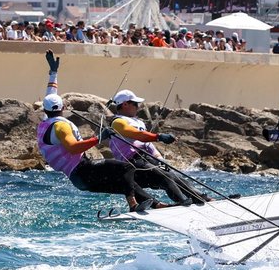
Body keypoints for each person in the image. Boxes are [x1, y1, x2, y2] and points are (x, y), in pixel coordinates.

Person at [36, 51, 164, 212]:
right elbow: (73, 147)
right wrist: (99, 138)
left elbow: (51, 96)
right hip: (83, 170)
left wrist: (53, 73)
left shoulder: (45, 122)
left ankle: (156, 205)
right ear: (62, 107)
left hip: (77, 179)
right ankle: (133, 205)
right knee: (126, 168)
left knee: (124, 181)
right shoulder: (61, 126)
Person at [105, 89, 208, 205]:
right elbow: (137, 135)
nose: (138, 107)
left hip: (147, 159)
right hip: (132, 163)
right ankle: (183, 202)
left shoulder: (139, 122)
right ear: (125, 104)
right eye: (135, 104)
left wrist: (159, 158)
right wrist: (159, 137)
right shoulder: (117, 122)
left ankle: (202, 199)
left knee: (176, 177)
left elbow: (148, 145)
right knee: (166, 177)